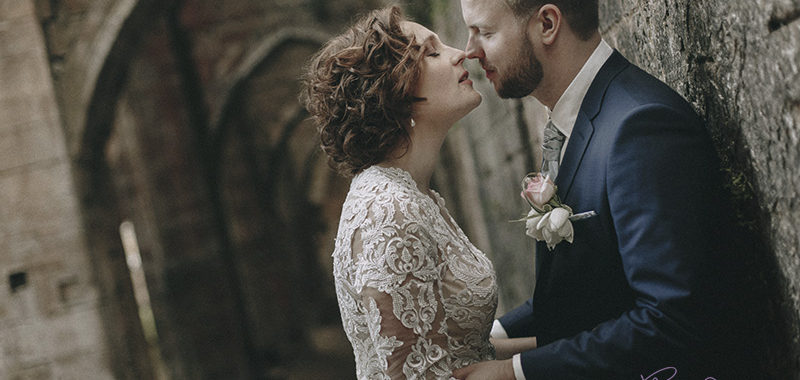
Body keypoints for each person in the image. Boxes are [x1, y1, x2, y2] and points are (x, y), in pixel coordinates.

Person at [453, 0, 745, 379]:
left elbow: (670, 320)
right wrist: (495, 335)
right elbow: (590, 290)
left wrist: (515, 372)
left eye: (485, 32)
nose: (469, 51)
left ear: (546, 24)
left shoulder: (640, 126)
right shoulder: (572, 118)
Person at [301, 6, 498, 379]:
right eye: (433, 52)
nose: (461, 53)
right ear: (397, 90)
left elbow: (463, 350)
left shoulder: (414, 196)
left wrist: (569, 345)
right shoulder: (388, 212)